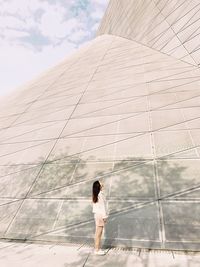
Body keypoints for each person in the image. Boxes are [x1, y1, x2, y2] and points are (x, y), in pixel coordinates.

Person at [92, 180, 108, 255]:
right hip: (100, 215)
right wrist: (104, 217)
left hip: (97, 215)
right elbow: (103, 207)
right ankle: (97, 250)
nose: (103, 184)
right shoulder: (100, 195)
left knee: (98, 233)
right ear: (99, 186)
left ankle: (97, 248)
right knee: (98, 233)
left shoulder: (96, 194)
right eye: (101, 183)